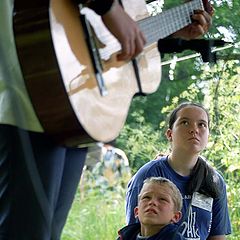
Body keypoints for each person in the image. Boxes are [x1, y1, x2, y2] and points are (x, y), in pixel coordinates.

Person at [0, 0, 213, 238]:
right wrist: (109, 9)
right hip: (30, 88)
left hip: (74, 109)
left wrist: (167, 35)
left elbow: (113, 43)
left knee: (46, 233)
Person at [126, 102, 231, 240]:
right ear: (170, 134)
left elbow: (217, 236)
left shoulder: (214, 180)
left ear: (208, 136)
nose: (194, 129)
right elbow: (133, 232)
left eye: (202, 124)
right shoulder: (148, 174)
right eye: (185, 122)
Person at [117, 177, 184, 240]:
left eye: (162, 199)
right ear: (136, 211)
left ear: (176, 216)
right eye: (146, 197)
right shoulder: (125, 236)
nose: (152, 202)